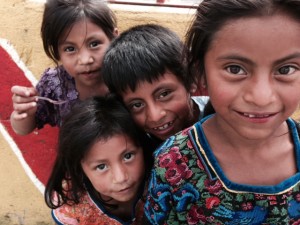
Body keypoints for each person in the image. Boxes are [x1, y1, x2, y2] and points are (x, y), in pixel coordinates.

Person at [144, 0, 300, 224]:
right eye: (235, 69)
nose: (261, 97)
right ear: (200, 73)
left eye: (286, 69)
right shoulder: (174, 162)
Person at [10, 0, 118, 135]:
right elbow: (23, 129)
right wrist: (23, 112)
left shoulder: (127, 75)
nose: (85, 60)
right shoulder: (55, 85)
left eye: (94, 44)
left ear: (114, 38)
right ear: (57, 53)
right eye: (70, 48)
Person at [44, 95, 153, 224]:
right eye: (101, 166)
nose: (121, 178)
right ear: (80, 167)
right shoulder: (72, 210)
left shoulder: (162, 176)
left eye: (128, 156)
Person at [102, 24, 209, 145]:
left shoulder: (221, 119)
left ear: (191, 80)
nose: (155, 116)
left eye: (164, 94)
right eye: (137, 105)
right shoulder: (137, 149)